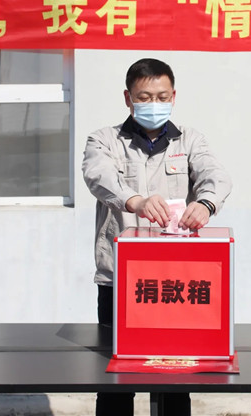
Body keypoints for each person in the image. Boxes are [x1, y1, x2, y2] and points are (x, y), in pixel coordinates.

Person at [82, 57, 232, 416]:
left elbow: (215, 175)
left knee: (175, 378)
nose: (154, 104)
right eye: (144, 97)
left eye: (162, 97)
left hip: (175, 282)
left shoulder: (190, 140)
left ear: (174, 96)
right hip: (120, 280)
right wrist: (136, 200)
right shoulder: (104, 140)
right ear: (128, 98)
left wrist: (206, 204)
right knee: (117, 380)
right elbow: (98, 176)